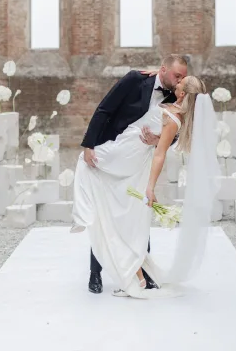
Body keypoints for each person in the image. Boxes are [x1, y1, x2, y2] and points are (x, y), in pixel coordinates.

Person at [72, 74, 221, 299]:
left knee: (88, 167)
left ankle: (83, 218)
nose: (176, 83)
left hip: (131, 156)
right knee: (115, 208)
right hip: (125, 145)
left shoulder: (174, 119)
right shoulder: (171, 104)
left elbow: (160, 154)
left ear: (182, 94)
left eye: (180, 82)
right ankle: (137, 276)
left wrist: (150, 187)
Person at [78, 54, 188, 294]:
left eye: (183, 77)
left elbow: (175, 133)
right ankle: (95, 274)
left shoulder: (176, 95)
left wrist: (159, 140)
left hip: (141, 161)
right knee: (105, 212)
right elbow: (104, 109)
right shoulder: (134, 80)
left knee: (138, 213)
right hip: (113, 154)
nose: (180, 80)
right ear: (163, 69)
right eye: (177, 75)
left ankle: (143, 273)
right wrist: (89, 146)